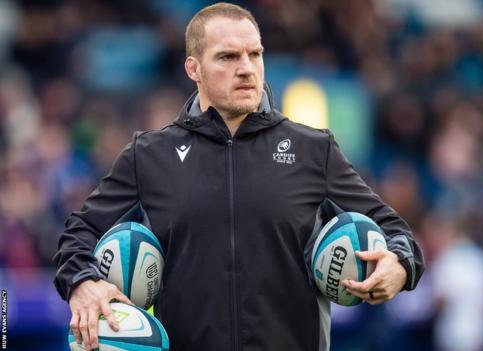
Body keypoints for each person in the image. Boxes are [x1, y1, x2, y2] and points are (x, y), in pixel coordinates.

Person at [53, 3, 425, 350]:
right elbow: (79, 232)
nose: (247, 68)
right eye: (228, 57)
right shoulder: (149, 156)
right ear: (193, 68)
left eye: (255, 54)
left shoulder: (315, 150)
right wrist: (82, 283)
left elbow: (394, 232)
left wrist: (399, 264)